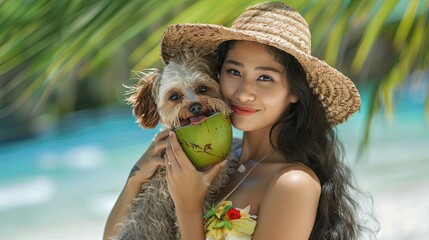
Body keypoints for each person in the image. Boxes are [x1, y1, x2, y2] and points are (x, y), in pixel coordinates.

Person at [104, 2, 376, 240]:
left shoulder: (293, 184)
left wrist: (189, 207)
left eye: (265, 78)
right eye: (234, 71)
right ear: (218, 75)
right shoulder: (214, 160)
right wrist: (137, 177)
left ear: (294, 92)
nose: (244, 92)